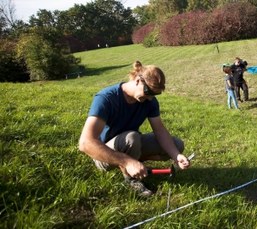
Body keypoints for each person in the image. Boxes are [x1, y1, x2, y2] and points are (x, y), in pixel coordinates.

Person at [78, 63, 191, 197]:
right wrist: (127, 162)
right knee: (131, 138)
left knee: (176, 145)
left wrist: (176, 156)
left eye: (155, 95)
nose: (149, 98)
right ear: (138, 80)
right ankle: (131, 179)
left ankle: (136, 164)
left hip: (130, 144)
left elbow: (160, 131)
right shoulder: (106, 98)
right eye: (148, 92)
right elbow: (85, 143)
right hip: (104, 156)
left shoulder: (149, 101)